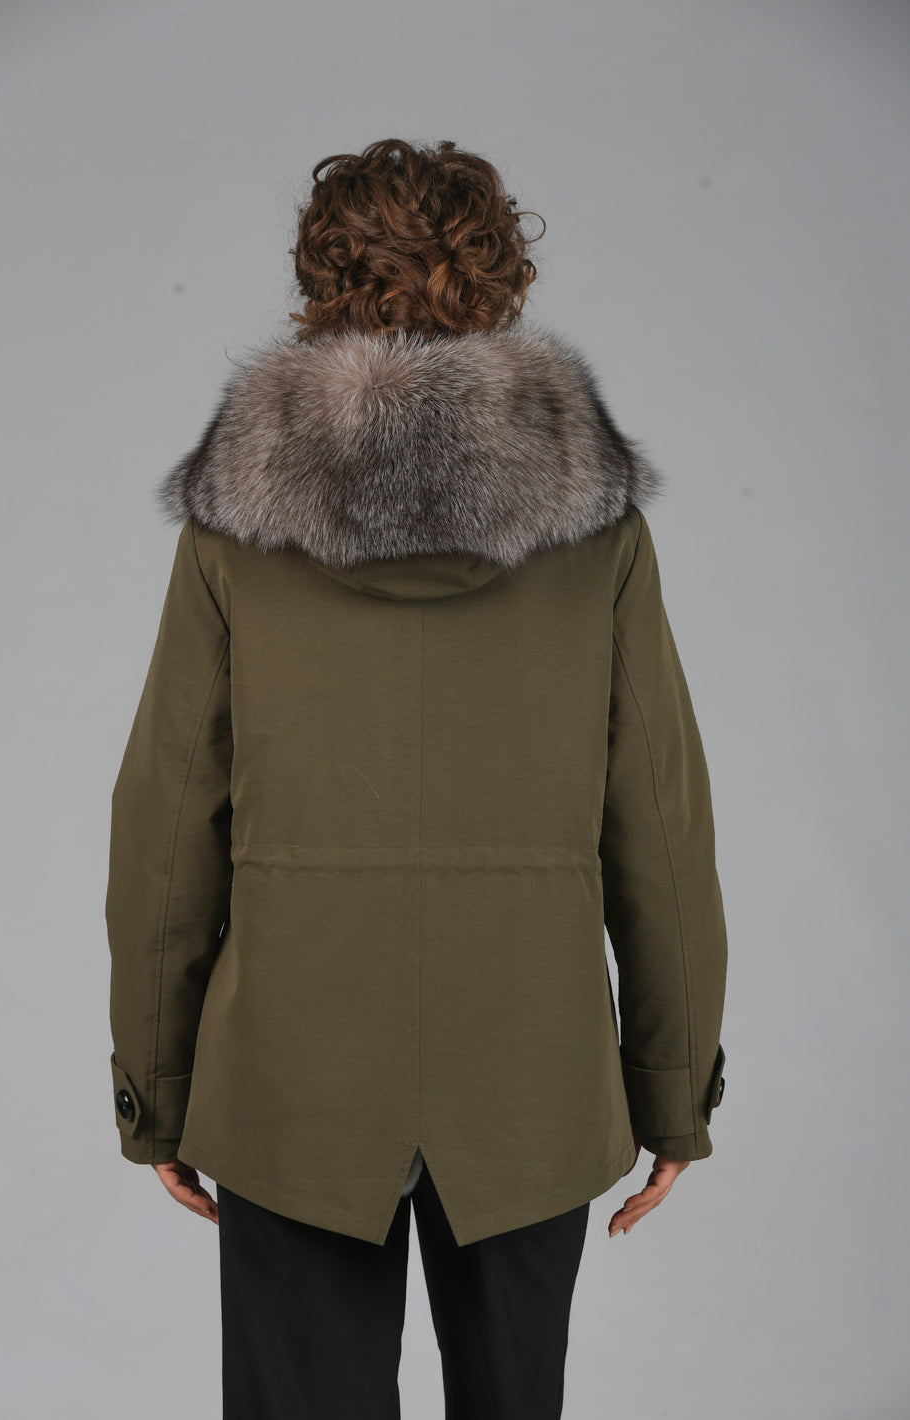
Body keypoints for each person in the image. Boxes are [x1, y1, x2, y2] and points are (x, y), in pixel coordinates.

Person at [105, 136, 728, 1419]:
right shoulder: (596, 533)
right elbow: (659, 829)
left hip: (291, 1082)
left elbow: (166, 829)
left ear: (319, 279)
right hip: (526, 1078)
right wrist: (671, 1095)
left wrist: (155, 1094)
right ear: (499, 276)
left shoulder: (236, 532)